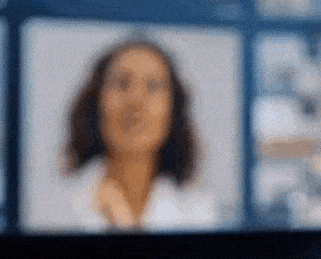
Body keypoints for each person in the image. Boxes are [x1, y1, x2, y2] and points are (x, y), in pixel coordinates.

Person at [47, 39, 216, 232]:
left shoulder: (198, 212)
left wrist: (125, 225)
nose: (135, 100)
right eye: (121, 84)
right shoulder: (58, 211)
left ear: (174, 110)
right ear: (96, 103)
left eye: (153, 86)